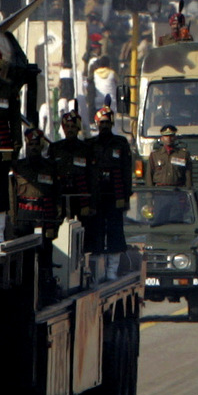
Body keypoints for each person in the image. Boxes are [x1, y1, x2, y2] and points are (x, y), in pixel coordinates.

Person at [87, 105, 132, 278]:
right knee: (96, 231)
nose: (104, 126)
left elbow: (127, 171)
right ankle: (97, 271)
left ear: (112, 123)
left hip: (115, 194)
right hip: (96, 194)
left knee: (115, 231)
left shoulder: (120, 143)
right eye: (101, 122)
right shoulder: (90, 144)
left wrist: (126, 196)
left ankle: (112, 270)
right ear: (97, 124)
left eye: (107, 122)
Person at [10, 128, 61, 235]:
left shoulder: (50, 167)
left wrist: (55, 220)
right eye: (31, 144)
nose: (33, 147)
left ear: (41, 146)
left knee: (43, 248)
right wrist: (13, 219)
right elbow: (12, 195)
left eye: (36, 144)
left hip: (43, 214)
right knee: (25, 248)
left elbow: (57, 194)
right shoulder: (18, 167)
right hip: (24, 214)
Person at [48, 109, 93, 221]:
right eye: (67, 126)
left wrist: (89, 204)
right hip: (60, 197)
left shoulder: (86, 149)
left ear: (78, 129)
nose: (70, 129)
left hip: (80, 198)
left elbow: (91, 177)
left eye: (73, 126)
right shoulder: (55, 148)